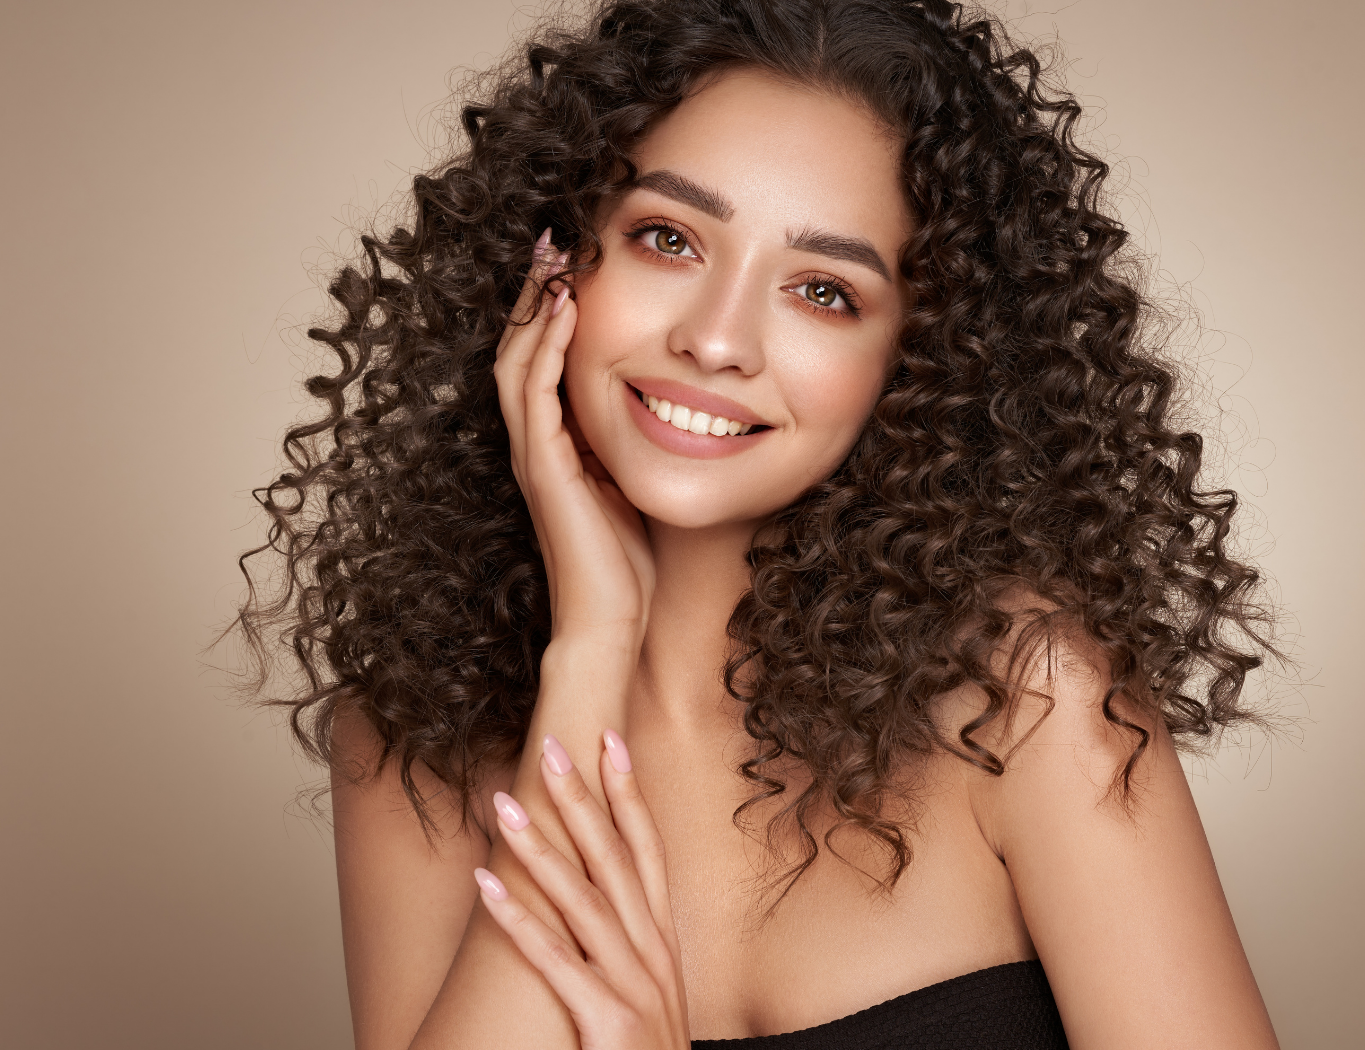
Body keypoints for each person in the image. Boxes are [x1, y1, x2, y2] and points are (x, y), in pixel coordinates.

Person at [240, 1, 1283, 1046]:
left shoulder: (1031, 698)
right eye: (667, 239)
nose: (716, 341)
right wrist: (592, 645)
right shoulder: (412, 735)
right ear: (552, 261)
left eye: (823, 292)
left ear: (921, 361)